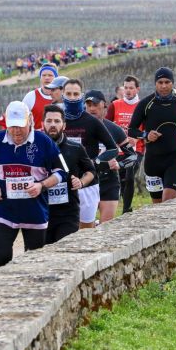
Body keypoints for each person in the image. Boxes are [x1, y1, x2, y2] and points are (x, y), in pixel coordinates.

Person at [0, 101, 66, 268]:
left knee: (34, 263)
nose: (16, 131)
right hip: (4, 211)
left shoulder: (44, 142)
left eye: (20, 126)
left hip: (35, 212)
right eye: (12, 126)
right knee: (1, 259)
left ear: (30, 121)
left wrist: (41, 185)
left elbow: (61, 172)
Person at [129, 68, 176, 202]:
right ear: (155, 83)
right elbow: (132, 130)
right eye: (160, 82)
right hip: (153, 160)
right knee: (157, 205)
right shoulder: (145, 104)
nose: (164, 86)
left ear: (172, 83)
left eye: (167, 82)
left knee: (168, 200)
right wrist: (146, 135)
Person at [61, 80, 118, 227]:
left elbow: (113, 148)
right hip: (62, 182)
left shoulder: (91, 121)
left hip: (88, 183)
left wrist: (95, 162)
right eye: (68, 94)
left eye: (75, 94)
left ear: (81, 96)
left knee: (86, 231)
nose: (72, 98)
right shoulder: (57, 119)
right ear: (63, 95)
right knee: (64, 230)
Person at [43, 105, 96, 243]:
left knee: (64, 252)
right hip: (42, 213)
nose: (52, 125)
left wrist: (81, 182)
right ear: (43, 123)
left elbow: (91, 172)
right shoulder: (34, 148)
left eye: (57, 121)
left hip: (68, 214)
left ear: (64, 125)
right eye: (49, 121)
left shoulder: (75, 148)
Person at [85, 90, 134, 223]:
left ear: (104, 106)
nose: (92, 108)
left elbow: (132, 157)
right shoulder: (78, 128)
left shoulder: (114, 129)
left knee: (105, 228)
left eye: (95, 105)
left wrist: (120, 164)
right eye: (88, 105)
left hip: (109, 182)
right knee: (82, 230)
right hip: (86, 182)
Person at [106, 76, 142, 214]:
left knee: (129, 174)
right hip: (118, 149)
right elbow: (105, 125)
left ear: (137, 89)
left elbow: (147, 130)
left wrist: (137, 138)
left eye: (131, 88)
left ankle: (127, 209)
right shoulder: (115, 105)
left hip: (136, 149)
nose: (127, 91)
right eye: (126, 87)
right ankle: (118, 203)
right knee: (119, 179)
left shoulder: (142, 105)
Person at [22, 64, 59, 130]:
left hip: (57, 138)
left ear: (56, 78)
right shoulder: (30, 96)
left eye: (50, 75)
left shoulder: (61, 97)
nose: (47, 78)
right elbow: (22, 120)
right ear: (40, 78)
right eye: (44, 75)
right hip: (37, 138)